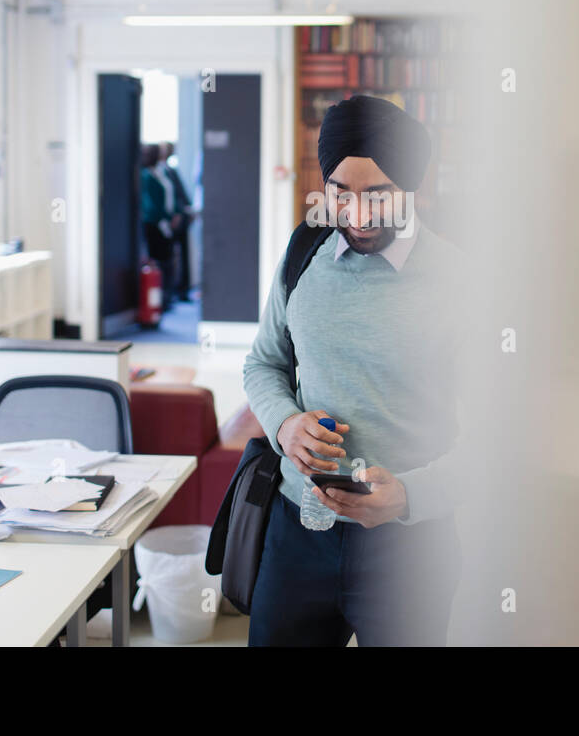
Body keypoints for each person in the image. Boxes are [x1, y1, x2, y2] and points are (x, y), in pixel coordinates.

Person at [242, 93, 464, 646]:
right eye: (340, 193)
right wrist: (285, 425)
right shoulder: (302, 253)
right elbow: (264, 363)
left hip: (409, 551)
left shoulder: (462, 283)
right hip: (298, 530)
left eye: (379, 195)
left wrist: (410, 496)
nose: (358, 216)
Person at [158, 141, 195, 302]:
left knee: (183, 256)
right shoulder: (157, 173)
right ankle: (169, 293)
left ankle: (182, 289)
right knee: (168, 258)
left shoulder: (172, 171)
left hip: (182, 218)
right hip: (168, 222)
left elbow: (181, 193)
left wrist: (188, 210)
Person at [140, 143, 174, 308]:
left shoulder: (160, 173)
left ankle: (166, 298)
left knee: (167, 261)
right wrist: (166, 217)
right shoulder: (146, 175)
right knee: (158, 261)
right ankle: (158, 301)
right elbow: (150, 204)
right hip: (154, 224)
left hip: (164, 224)